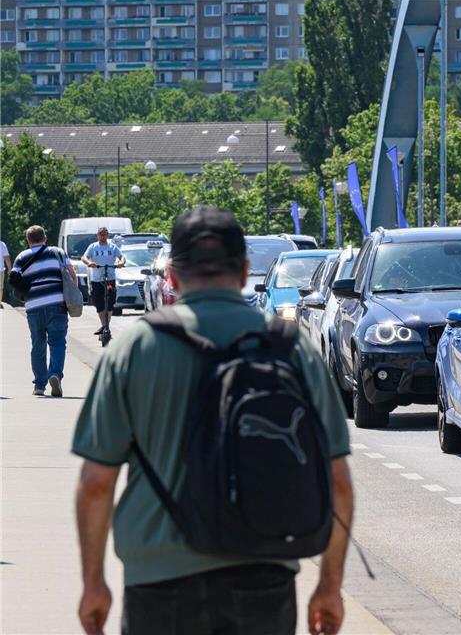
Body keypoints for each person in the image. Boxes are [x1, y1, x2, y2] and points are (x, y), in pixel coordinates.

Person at [72, 209, 353, 635]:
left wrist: (94, 583)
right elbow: (339, 483)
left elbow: (96, 483)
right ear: (243, 271)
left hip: (159, 581)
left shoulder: (134, 348)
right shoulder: (291, 347)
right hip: (263, 576)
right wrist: (329, 586)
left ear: (172, 275)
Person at [12, 226, 77, 396]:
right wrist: (72, 297)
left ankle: (39, 385)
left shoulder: (21, 257)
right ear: (45, 239)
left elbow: (14, 279)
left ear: (28, 240)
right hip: (57, 305)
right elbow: (72, 275)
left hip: (33, 306)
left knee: (37, 344)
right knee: (57, 342)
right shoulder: (58, 252)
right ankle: (55, 374)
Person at [81, 227, 125, 336]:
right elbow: (84, 257)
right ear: (97, 235)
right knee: (98, 303)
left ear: (107, 235)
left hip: (110, 278)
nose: (103, 236)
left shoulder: (112, 247)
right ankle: (104, 325)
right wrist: (89, 263)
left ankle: (106, 326)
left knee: (110, 302)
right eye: (101, 234)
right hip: (97, 279)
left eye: (105, 234)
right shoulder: (93, 246)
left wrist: (121, 262)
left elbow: (122, 257)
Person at [0, 238, 11, 308]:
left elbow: (7, 258)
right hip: (0, 270)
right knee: (0, 287)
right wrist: (9, 270)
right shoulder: (2, 244)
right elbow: (7, 258)